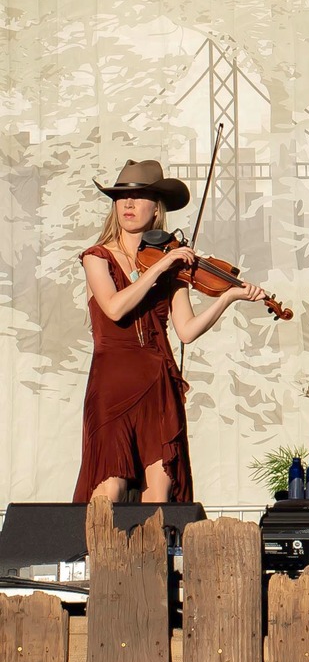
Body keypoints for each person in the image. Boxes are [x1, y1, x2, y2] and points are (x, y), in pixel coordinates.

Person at [75, 159, 268, 503]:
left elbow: (187, 331)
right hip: (112, 385)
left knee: (160, 494)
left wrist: (228, 297)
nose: (128, 205)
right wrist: (163, 265)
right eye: (121, 197)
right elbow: (115, 307)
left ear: (157, 208)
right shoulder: (97, 257)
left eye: (139, 196)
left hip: (157, 384)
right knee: (111, 486)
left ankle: (157, 556)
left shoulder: (172, 264)